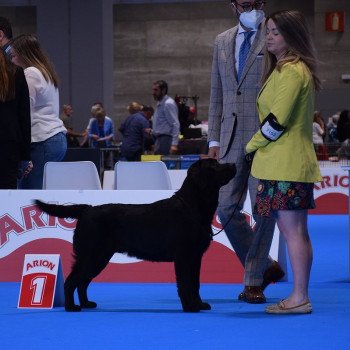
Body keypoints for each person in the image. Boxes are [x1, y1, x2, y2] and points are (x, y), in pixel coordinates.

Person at [245, 10, 322, 314]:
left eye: (276, 32)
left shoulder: (291, 71)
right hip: (285, 163)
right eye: (268, 31)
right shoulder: (285, 69)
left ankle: (299, 297)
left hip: (285, 164)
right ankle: (300, 295)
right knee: (297, 232)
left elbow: (277, 122)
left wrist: (249, 146)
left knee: (294, 233)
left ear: (291, 37)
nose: (269, 36)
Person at [208, 0, 284, 304]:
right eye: (245, 3)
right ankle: (266, 267)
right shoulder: (221, 41)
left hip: (266, 137)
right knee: (224, 208)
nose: (251, 8)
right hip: (228, 140)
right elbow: (218, 92)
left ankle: (253, 279)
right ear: (233, 6)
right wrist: (213, 140)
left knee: (263, 210)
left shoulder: (275, 36)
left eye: (256, 2)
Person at [11, 34, 67, 189]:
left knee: (28, 194)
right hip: (55, 138)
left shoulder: (30, 73)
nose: (12, 60)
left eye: (14, 56)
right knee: (40, 191)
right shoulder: (46, 71)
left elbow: (24, 111)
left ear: (24, 55)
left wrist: (22, 151)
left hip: (42, 140)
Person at [0, 50, 32, 188]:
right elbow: (24, 115)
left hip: (9, 142)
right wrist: (26, 155)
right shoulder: (16, 72)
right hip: (9, 143)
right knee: (8, 193)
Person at [152, 80, 180, 155]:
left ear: (163, 90)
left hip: (166, 140)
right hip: (159, 139)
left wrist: (174, 144)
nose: (153, 93)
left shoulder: (168, 103)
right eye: (153, 90)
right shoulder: (160, 103)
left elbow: (175, 124)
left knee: (165, 164)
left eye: (156, 90)